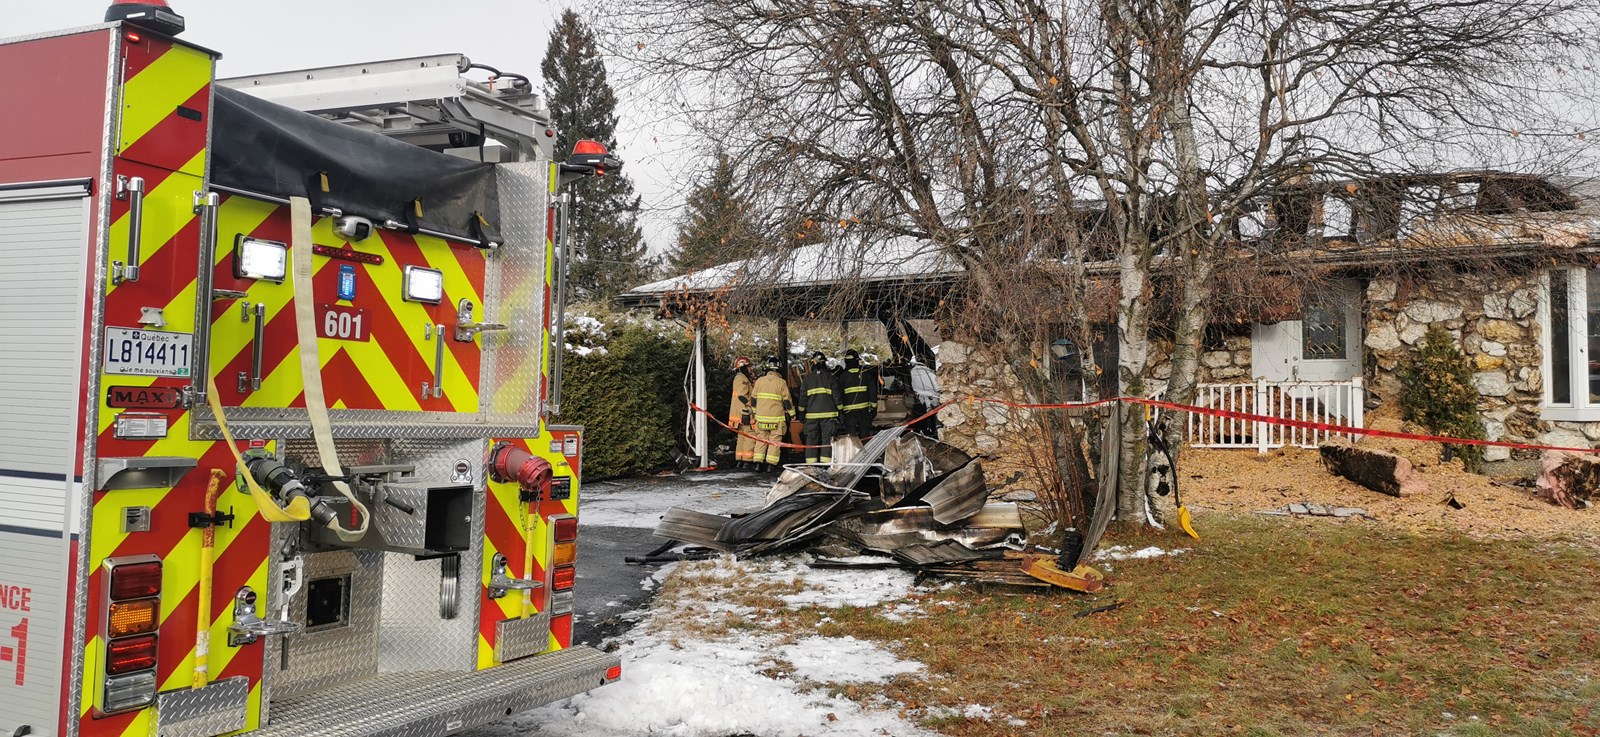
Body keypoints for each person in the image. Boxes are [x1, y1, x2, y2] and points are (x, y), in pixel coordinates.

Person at [798, 351, 842, 464]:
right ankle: (825, 465)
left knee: (811, 439)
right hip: (829, 416)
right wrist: (841, 411)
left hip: (811, 417)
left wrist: (801, 414)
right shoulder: (830, 378)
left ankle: (811, 465)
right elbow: (837, 397)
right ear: (824, 363)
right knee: (827, 440)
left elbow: (802, 399)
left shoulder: (807, 379)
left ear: (812, 364)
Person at [751, 356, 793, 472]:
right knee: (775, 441)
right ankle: (770, 465)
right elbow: (787, 401)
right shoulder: (781, 382)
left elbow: (753, 399)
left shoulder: (759, 381)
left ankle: (758, 464)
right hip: (776, 418)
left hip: (761, 418)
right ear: (779, 369)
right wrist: (792, 414)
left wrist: (754, 413)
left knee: (761, 439)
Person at [838, 349, 878, 438]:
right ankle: (866, 451)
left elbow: (838, 396)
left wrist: (840, 411)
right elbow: (872, 392)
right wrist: (874, 408)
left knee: (851, 437)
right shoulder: (865, 374)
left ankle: (853, 452)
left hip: (849, 413)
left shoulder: (842, 377)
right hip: (864, 412)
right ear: (857, 361)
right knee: (864, 435)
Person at [729, 357, 757, 469]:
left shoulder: (739, 378)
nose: (750, 368)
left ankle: (740, 460)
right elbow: (742, 396)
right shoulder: (742, 379)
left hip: (738, 413)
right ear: (743, 367)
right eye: (748, 366)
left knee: (741, 437)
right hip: (745, 413)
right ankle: (747, 461)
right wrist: (751, 406)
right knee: (750, 436)